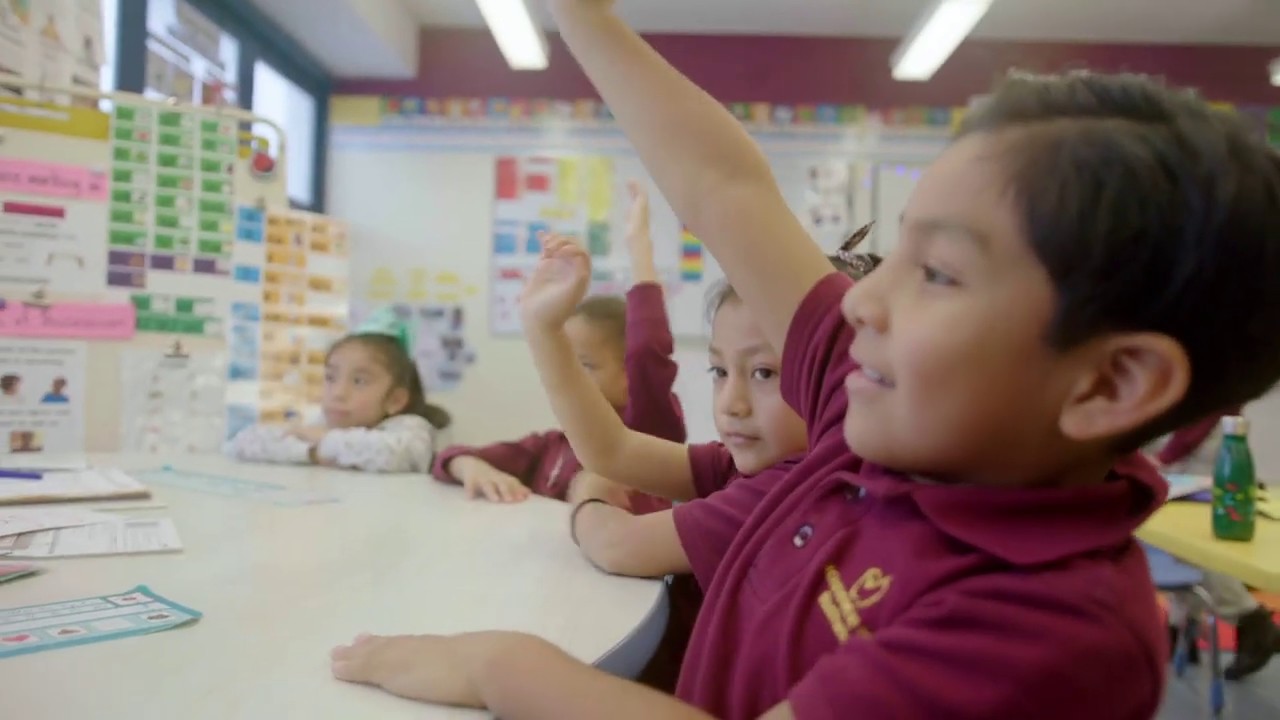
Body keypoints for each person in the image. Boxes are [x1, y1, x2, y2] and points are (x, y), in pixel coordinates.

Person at [327, 3, 1280, 718]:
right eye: (897, 253)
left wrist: (502, 669)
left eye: (937, 273)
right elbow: (724, 185)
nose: (862, 297)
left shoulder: (1051, 627)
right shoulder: (871, 429)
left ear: (1110, 382)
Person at [564, 224, 882, 692]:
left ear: (840, 379)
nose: (732, 402)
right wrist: (543, 329)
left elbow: (617, 545)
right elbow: (614, 450)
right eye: (719, 370)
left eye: (764, 372)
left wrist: (585, 497)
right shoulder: (750, 464)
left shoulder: (794, 488)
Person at [430, 183, 685, 509]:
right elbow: (451, 456)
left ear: (628, 375)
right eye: (565, 360)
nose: (568, 374)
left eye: (586, 365)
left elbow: (647, 352)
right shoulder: (551, 446)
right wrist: (469, 466)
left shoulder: (649, 438)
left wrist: (639, 248)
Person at [226, 308, 449, 473]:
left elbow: (389, 454)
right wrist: (310, 451)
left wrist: (322, 441)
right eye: (331, 378)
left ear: (395, 400)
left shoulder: (411, 429)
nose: (338, 392)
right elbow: (243, 442)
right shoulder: (324, 422)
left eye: (359, 381)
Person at [1152, 408, 1280, 680]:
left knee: (1197, 546)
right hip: (1199, 435)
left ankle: (1252, 622)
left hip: (1201, 438)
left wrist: (1166, 455)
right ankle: (1183, 630)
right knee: (1181, 545)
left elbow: (1207, 401)